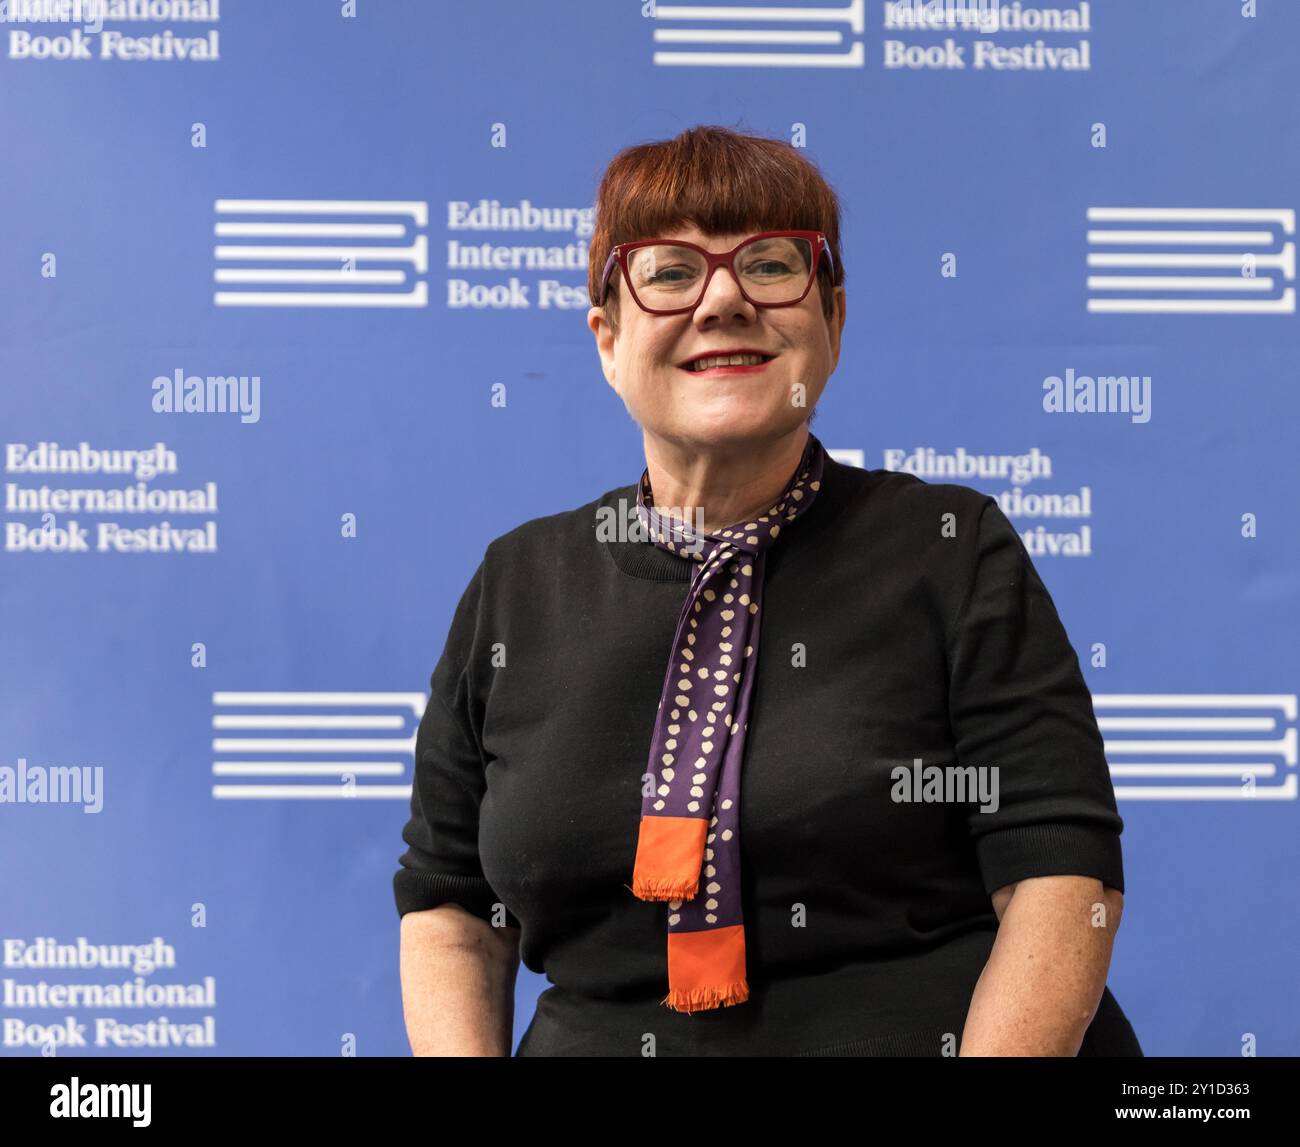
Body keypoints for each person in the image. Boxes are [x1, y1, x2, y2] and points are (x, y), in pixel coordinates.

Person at [394, 124, 1142, 1057]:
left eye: (771, 265)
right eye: (669, 272)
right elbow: (452, 906)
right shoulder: (517, 582)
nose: (723, 301)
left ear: (831, 320)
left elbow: (1063, 878)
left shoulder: (949, 550)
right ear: (607, 340)